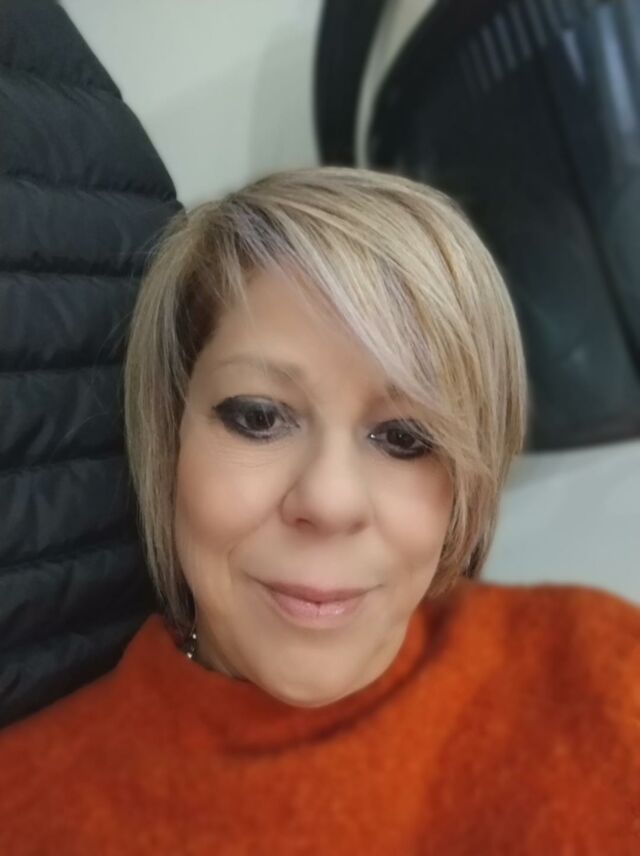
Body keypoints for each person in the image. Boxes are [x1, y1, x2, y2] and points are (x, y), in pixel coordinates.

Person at [0, 166, 638, 854]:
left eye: (405, 437)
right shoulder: (27, 811)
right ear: (171, 431)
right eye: (258, 417)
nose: (330, 502)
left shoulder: (601, 667)